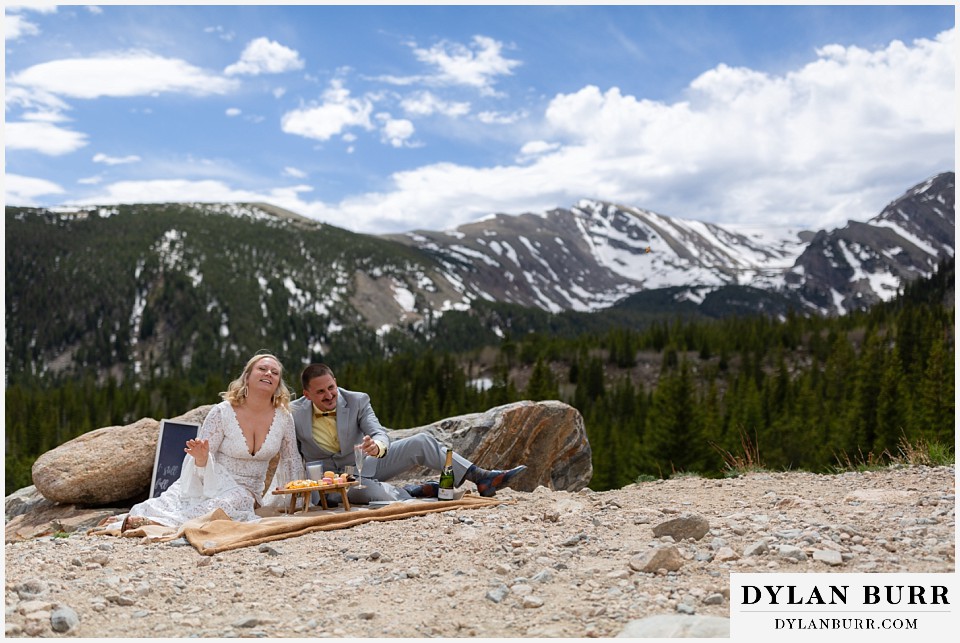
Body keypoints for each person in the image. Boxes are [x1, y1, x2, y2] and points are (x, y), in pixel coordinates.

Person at [291, 363, 527, 503]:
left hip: (367, 463)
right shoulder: (294, 413)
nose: (329, 395)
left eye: (331, 387)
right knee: (376, 495)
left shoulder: (357, 400)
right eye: (320, 392)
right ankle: (416, 491)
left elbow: (379, 432)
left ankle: (482, 477)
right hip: (331, 484)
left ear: (336, 382)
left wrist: (378, 446)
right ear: (307, 394)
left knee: (421, 442)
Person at [119, 352, 303, 530]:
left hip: (246, 492)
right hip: (211, 482)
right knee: (164, 504)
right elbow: (198, 465)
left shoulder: (284, 417)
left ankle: (161, 524)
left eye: (275, 372)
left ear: (278, 382)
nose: (268, 373)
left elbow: (291, 459)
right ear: (247, 377)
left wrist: (297, 499)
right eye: (262, 368)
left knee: (234, 499)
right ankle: (145, 520)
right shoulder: (222, 412)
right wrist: (201, 458)